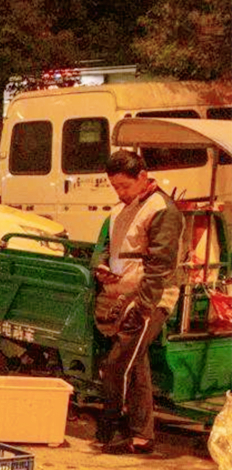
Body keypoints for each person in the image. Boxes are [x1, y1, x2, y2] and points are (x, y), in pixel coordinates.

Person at [92, 150, 184, 454]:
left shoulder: (162, 210)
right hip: (122, 296)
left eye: (124, 186)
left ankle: (112, 430)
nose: (119, 192)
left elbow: (160, 267)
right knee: (136, 364)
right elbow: (106, 247)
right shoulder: (119, 210)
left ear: (142, 177)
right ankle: (142, 436)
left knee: (118, 364)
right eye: (115, 186)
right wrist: (103, 266)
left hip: (151, 300)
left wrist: (144, 308)